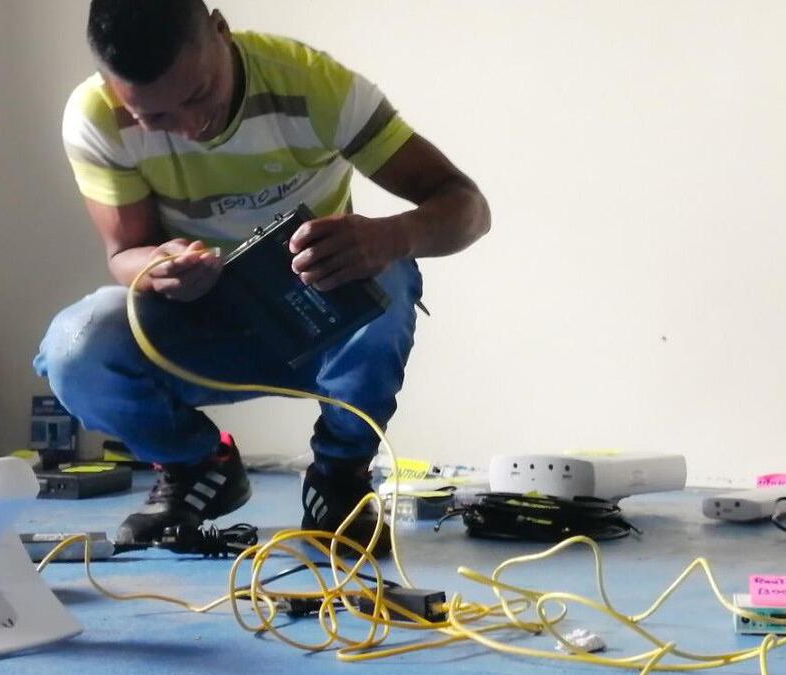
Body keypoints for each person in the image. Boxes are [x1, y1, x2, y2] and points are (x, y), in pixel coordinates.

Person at [35, 0, 490, 556]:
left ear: (221, 32)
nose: (190, 128)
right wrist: (161, 268)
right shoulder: (97, 117)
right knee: (73, 347)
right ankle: (198, 466)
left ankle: (339, 478)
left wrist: (389, 236)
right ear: (112, 85)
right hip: (199, 322)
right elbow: (125, 254)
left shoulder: (315, 88)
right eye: (155, 118)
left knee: (386, 278)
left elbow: (469, 208)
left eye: (198, 95)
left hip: (317, 317)